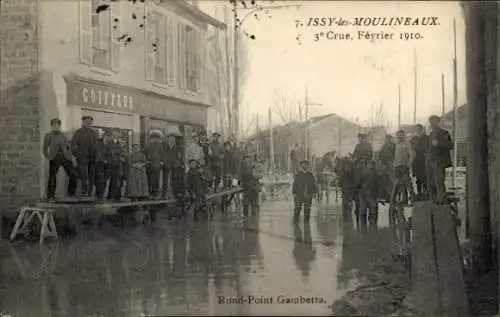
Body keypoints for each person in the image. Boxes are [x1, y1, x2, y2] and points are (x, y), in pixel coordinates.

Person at [42, 118, 77, 201]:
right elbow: (44, 148)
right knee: (52, 177)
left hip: (65, 157)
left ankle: (72, 194)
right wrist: (48, 156)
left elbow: (67, 146)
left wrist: (71, 155)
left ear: (59, 126)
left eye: (57, 124)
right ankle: (50, 196)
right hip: (54, 158)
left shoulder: (63, 135)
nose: (56, 126)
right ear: (51, 126)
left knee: (73, 174)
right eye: (54, 124)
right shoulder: (48, 135)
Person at [426, 115, 453, 204]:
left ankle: (441, 198)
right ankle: (434, 199)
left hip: (440, 161)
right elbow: (428, 149)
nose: (432, 124)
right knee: (431, 182)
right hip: (431, 161)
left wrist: (438, 144)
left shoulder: (444, 133)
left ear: (438, 122)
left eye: (434, 121)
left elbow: (450, 145)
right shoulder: (430, 134)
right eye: (431, 122)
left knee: (439, 181)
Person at [71, 116, 97, 196]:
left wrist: (97, 156)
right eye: (86, 121)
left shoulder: (94, 133)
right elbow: (73, 145)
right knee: (84, 175)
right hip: (83, 158)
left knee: (91, 176)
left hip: (92, 158)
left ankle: (90, 193)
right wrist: (77, 155)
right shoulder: (78, 132)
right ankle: (84, 192)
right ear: (83, 122)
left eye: (90, 122)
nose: (88, 123)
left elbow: (97, 145)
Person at [391, 130, 416, 204]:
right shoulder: (396, 144)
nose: (399, 136)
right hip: (397, 166)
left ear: (403, 135)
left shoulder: (407, 144)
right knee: (401, 183)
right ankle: (404, 199)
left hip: (403, 166)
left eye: (401, 135)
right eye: (398, 135)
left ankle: (413, 198)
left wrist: (409, 164)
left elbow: (413, 154)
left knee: (407, 182)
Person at [104, 130, 127, 201]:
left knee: (119, 180)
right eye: (114, 133)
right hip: (111, 164)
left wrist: (123, 158)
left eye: (117, 133)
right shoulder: (109, 143)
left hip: (119, 164)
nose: (116, 134)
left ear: (119, 134)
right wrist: (108, 160)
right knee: (112, 180)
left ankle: (118, 196)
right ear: (112, 134)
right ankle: (111, 195)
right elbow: (106, 153)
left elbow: (124, 153)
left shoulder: (121, 143)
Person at [411, 124, 429, 199]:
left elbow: (430, 148)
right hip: (416, 161)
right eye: (416, 129)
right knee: (418, 178)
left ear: (422, 129)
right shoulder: (413, 139)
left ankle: (425, 192)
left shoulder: (427, 138)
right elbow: (411, 149)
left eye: (419, 129)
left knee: (425, 177)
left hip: (425, 160)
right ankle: (419, 193)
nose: (418, 131)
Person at [143, 130, 164, 198]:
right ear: (151, 138)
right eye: (154, 138)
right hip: (150, 166)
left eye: (157, 138)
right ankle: (150, 193)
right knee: (150, 180)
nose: (155, 140)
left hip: (157, 166)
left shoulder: (159, 146)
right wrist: (146, 160)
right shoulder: (147, 146)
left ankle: (156, 193)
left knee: (156, 180)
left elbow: (163, 154)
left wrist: (161, 161)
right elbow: (143, 154)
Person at [162, 132, 182, 199]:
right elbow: (163, 155)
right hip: (167, 165)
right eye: (170, 138)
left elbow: (179, 156)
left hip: (174, 166)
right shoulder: (164, 146)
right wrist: (165, 162)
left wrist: (177, 163)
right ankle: (164, 194)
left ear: (174, 139)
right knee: (165, 180)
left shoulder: (177, 147)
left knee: (174, 179)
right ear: (168, 139)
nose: (172, 140)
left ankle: (174, 194)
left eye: (173, 139)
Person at [94, 128, 107, 200]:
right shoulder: (94, 142)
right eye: (99, 133)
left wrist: (105, 160)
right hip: (96, 163)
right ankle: (98, 195)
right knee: (97, 180)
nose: (100, 135)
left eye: (101, 133)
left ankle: (100, 195)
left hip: (102, 164)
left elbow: (105, 152)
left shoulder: (103, 143)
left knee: (101, 180)